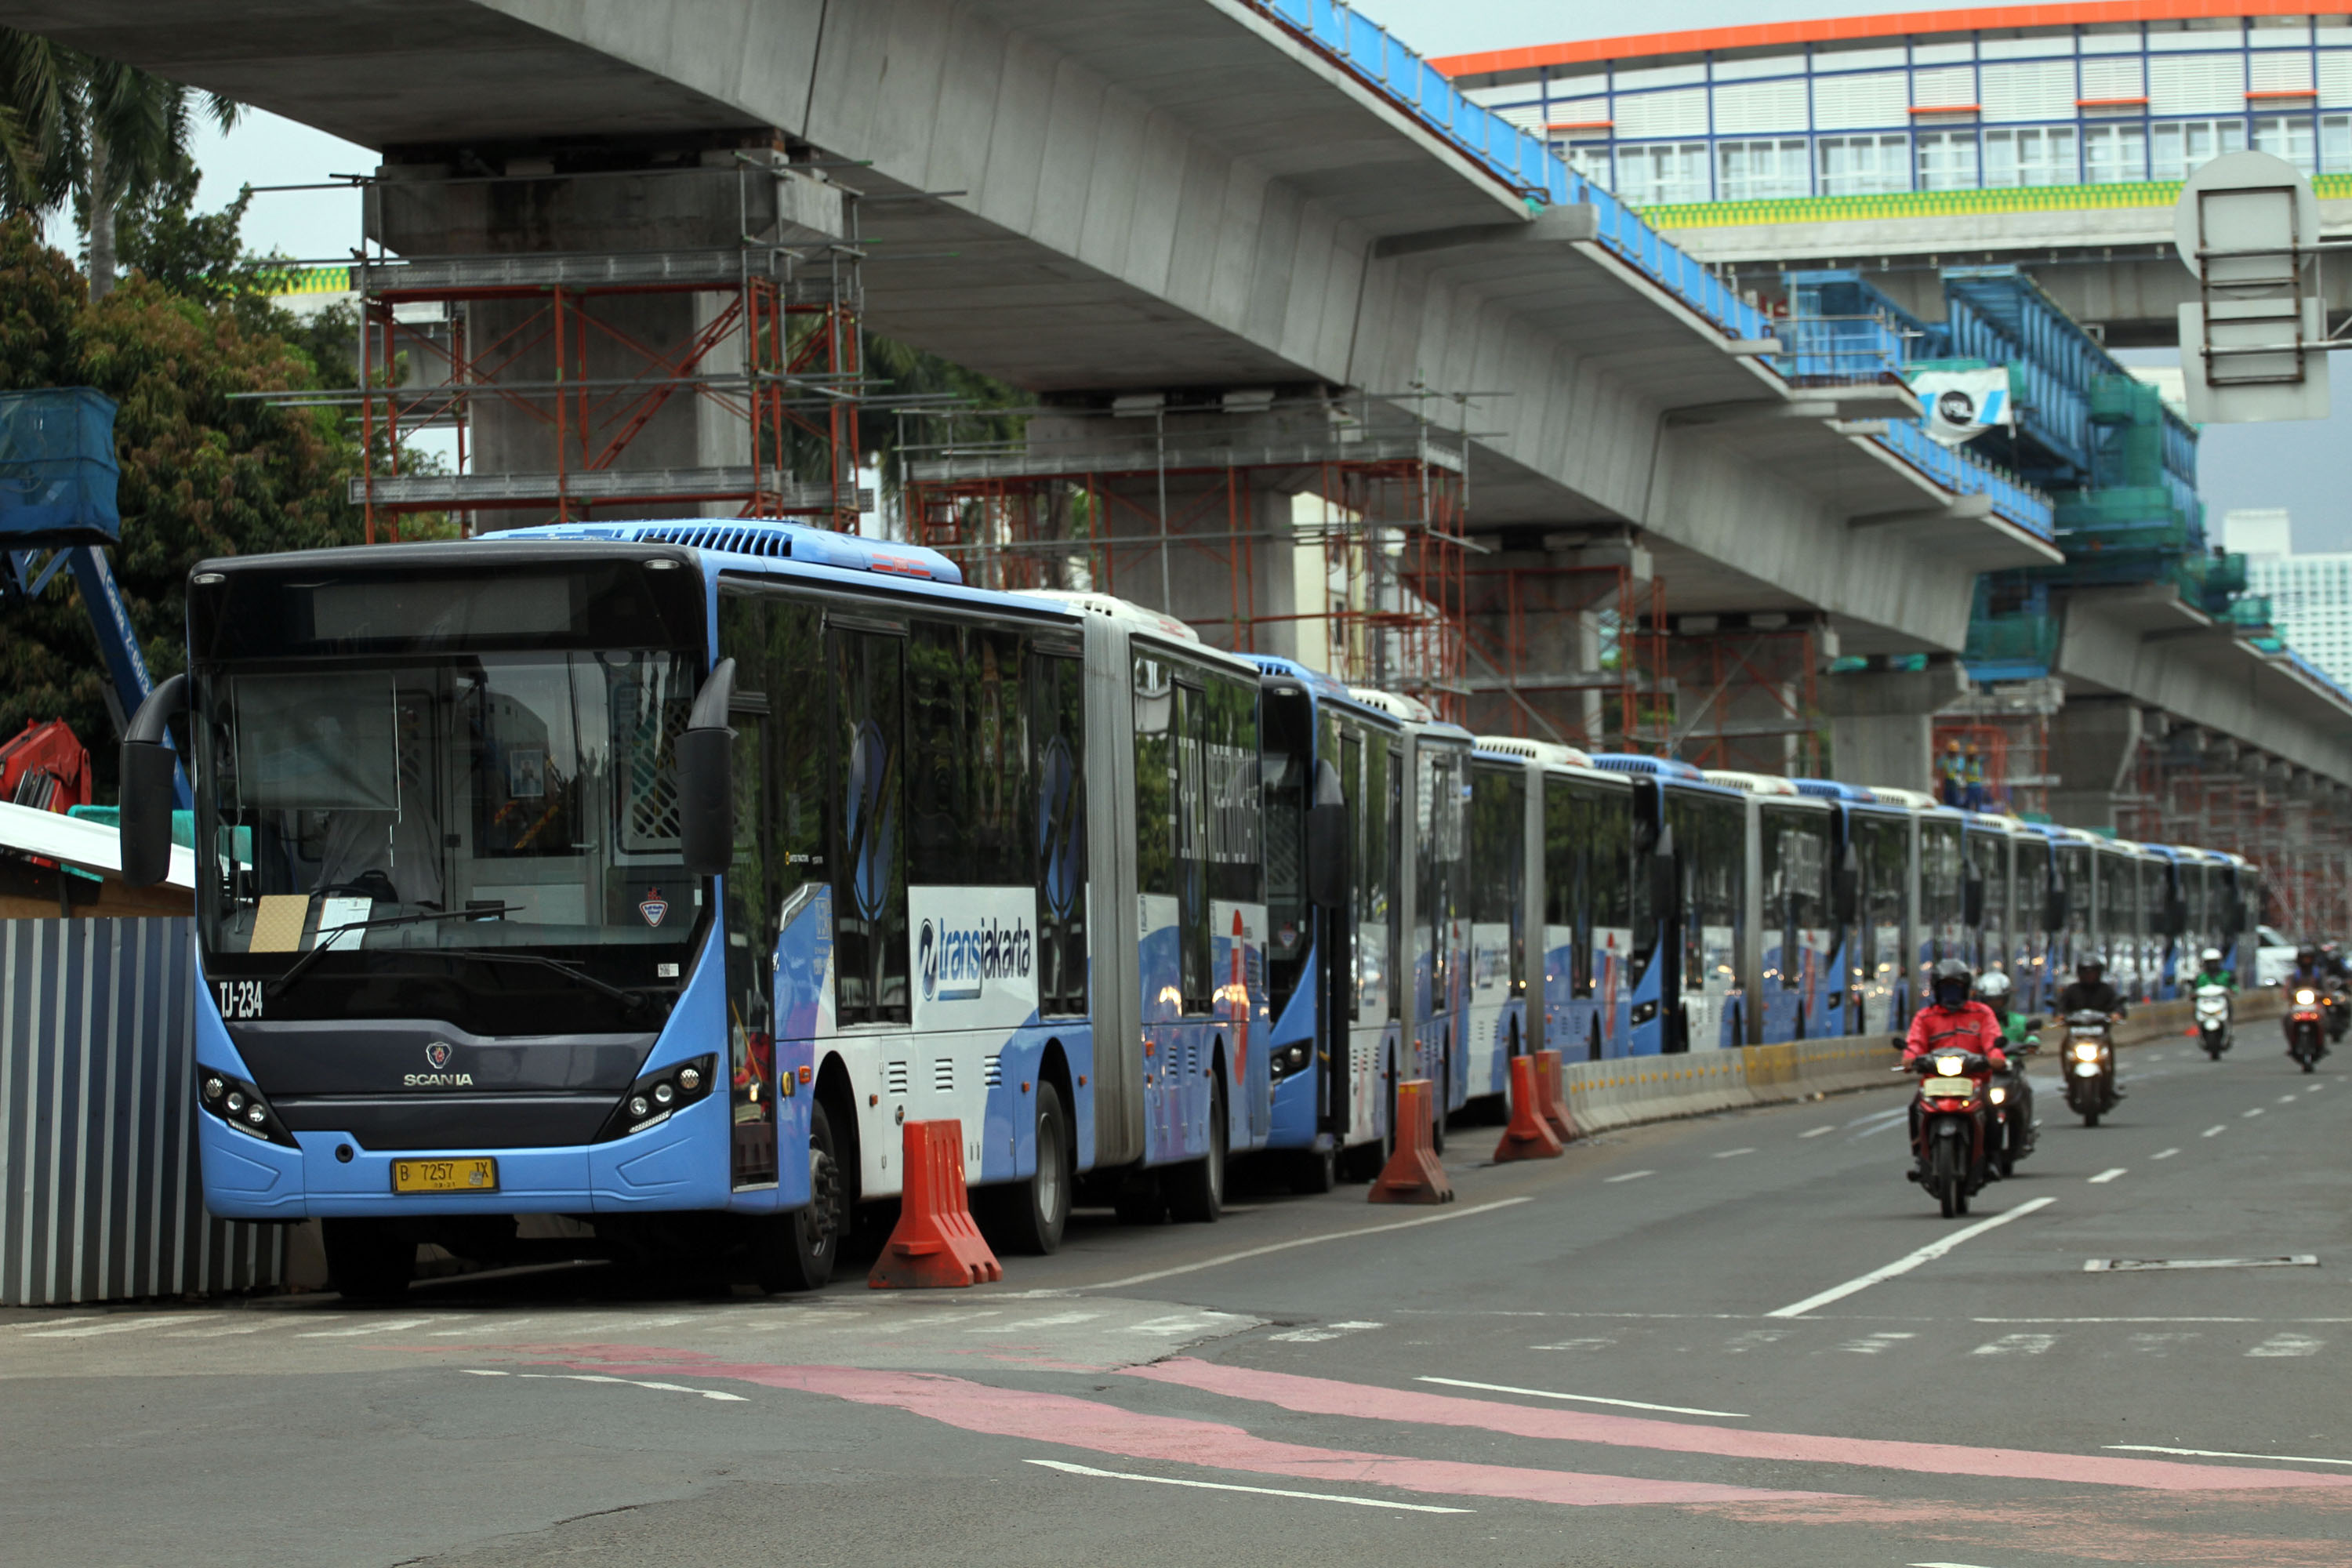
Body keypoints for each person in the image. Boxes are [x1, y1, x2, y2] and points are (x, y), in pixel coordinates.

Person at [1904, 958, 2008, 1180]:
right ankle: (1919, 1157)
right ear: (1937, 990)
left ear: (1966, 988)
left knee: (1992, 1111)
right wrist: (1910, 1058)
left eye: (1956, 987)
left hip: (1974, 1079)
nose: (1951, 992)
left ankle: (1992, 1159)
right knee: (1915, 1108)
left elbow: (1992, 1040)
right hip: (1935, 1080)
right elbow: (1915, 1043)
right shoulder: (1925, 1017)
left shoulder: (1982, 1013)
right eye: (1946, 987)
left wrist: (1995, 1058)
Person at [1974, 967, 2036, 1164]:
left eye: (1998, 1001)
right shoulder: (1974, 1022)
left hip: (2010, 1071)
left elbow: (2030, 1034)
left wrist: (2032, 1042)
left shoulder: (2017, 1021)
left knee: (2025, 1091)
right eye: (1990, 1002)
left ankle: (2025, 1129)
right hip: (1983, 1073)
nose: (1994, 1006)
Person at [2055, 951, 2126, 1097]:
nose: (2089, 976)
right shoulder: (2072, 990)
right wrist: (2059, 1016)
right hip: (2077, 1034)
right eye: (2086, 972)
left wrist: (2116, 1014)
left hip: (2099, 1035)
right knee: (2065, 1046)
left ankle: (2110, 1080)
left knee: (2108, 1048)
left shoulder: (2106, 990)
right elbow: (2060, 1007)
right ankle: (2068, 1078)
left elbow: (2118, 1006)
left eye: (2092, 972)